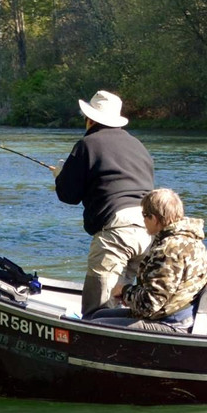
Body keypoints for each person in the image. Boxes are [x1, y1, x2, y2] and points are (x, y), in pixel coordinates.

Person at [53, 90, 154, 318]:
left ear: (89, 119)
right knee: (131, 302)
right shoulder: (139, 146)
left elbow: (68, 195)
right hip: (149, 230)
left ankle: (93, 345)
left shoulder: (87, 144)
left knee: (98, 311)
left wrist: (60, 175)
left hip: (115, 232)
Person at [89, 188, 207, 333]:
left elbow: (150, 304)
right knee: (99, 315)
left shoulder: (168, 250)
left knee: (95, 325)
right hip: (176, 314)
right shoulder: (192, 240)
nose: (142, 221)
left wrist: (124, 291)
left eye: (144, 216)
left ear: (154, 219)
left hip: (172, 323)